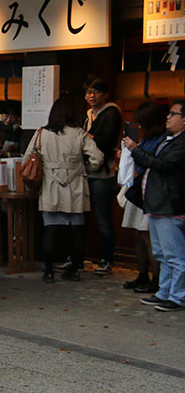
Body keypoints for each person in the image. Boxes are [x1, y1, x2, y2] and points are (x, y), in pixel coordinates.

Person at [31, 97, 104, 283]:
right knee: (77, 231)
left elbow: (27, 159)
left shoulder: (42, 133)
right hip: (75, 186)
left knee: (50, 229)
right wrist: (86, 169)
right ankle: (73, 270)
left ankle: (48, 272)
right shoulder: (79, 133)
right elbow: (97, 157)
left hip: (51, 185)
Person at [124, 98, 185, 311]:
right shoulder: (169, 139)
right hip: (157, 203)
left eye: (173, 114)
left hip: (169, 205)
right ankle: (164, 292)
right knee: (162, 253)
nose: (168, 117)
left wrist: (135, 149)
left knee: (175, 255)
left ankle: (178, 296)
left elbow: (163, 165)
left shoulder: (181, 143)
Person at [120, 101, 167, 295]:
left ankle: (156, 280)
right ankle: (142, 274)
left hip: (152, 192)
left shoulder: (163, 141)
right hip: (139, 191)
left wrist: (134, 150)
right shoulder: (147, 138)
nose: (139, 126)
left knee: (148, 237)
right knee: (138, 235)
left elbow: (150, 163)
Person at [83, 77, 121, 275]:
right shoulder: (89, 114)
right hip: (87, 172)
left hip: (103, 174)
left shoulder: (111, 112)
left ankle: (106, 259)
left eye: (95, 92)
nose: (91, 96)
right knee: (84, 217)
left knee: (103, 218)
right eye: (88, 92)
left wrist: (85, 136)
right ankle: (84, 256)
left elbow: (105, 141)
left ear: (105, 94)